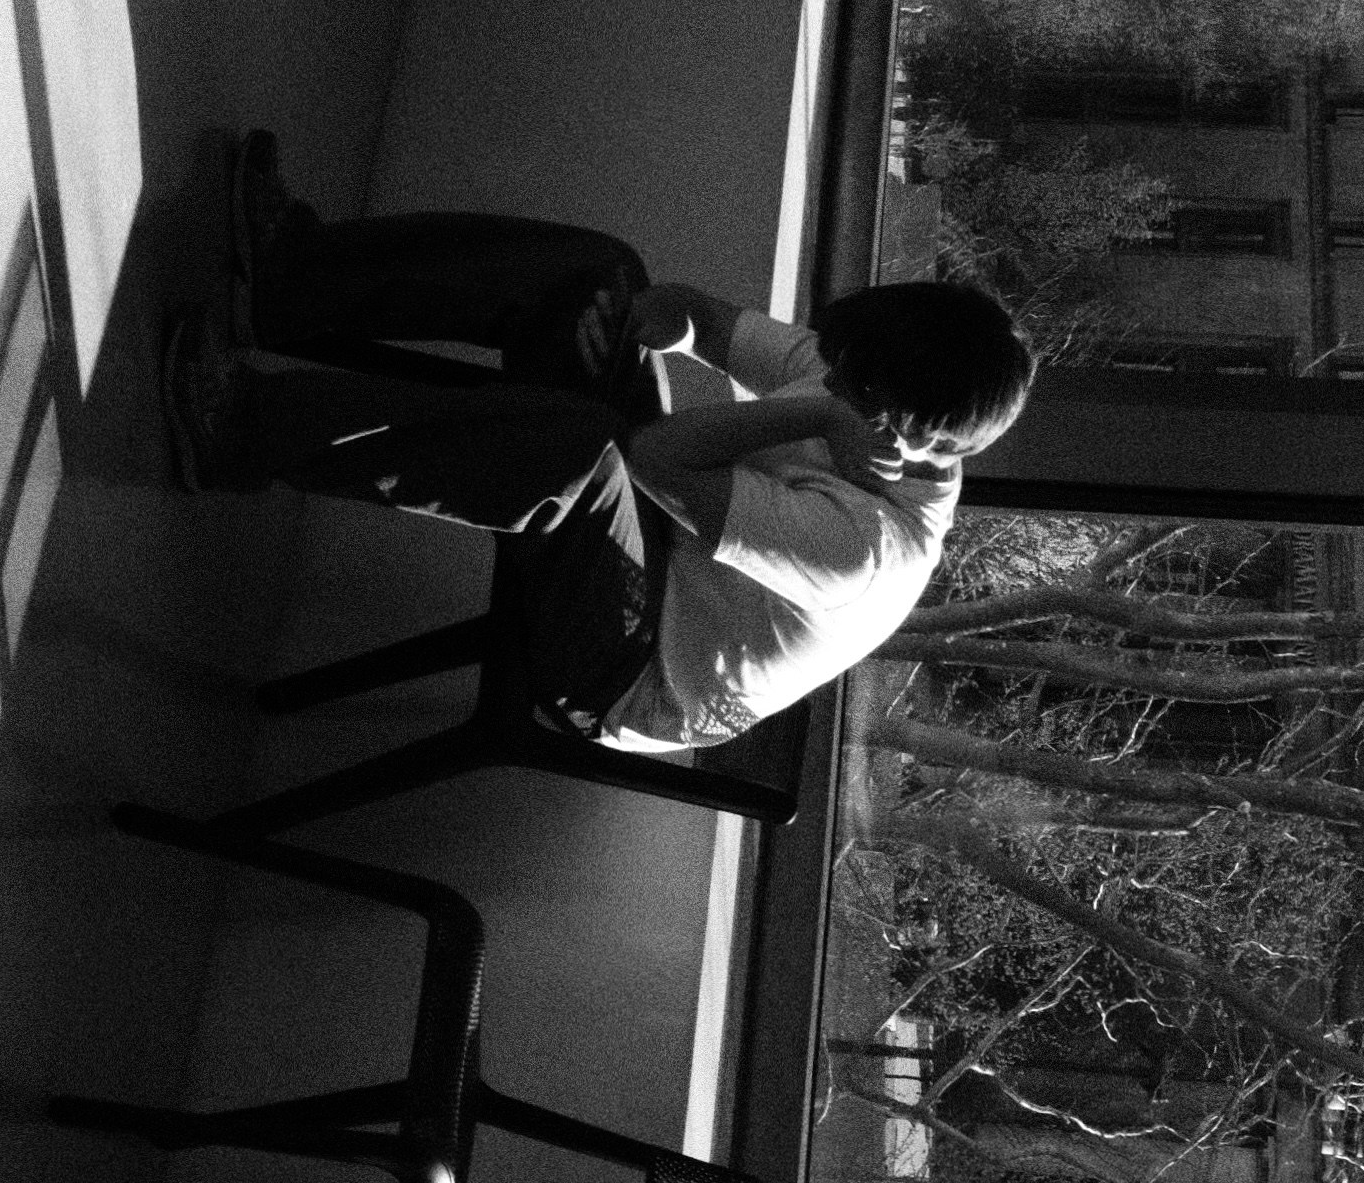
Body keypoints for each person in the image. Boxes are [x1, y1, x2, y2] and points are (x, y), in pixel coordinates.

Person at [160, 169, 1034, 753]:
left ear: (906, 438)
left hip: (627, 671)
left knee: (580, 453)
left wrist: (812, 408)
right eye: (834, 365)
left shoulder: (867, 549)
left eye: (846, 386)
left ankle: (238, 431)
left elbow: (652, 459)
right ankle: (291, 279)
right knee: (600, 274)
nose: (827, 374)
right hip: (668, 535)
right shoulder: (870, 381)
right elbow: (703, 320)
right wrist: (656, 316)